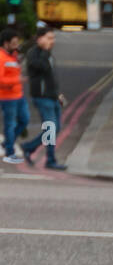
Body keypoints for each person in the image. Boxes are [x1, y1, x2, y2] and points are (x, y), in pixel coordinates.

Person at [20, 27, 67, 170]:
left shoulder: (47, 54)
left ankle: (29, 147)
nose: (52, 41)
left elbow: (50, 77)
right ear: (39, 38)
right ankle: (50, 160)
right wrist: (46, 52)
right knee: (51, 128)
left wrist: (57, 93)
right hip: (42, 98)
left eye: (53, 38)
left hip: (52, 97)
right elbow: (42, 67)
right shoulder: (33, 54)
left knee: (55, 128)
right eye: (49, 38)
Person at [1, 28, 31, 165]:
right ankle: (9, 153)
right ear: (5, 43)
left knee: (24, 120)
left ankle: (8, 142)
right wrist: (18, 80)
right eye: (14, 43)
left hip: (19, 95)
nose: (16, 45)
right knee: (10, 124)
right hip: (7, 97)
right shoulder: (1, 57)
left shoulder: (13, 55)